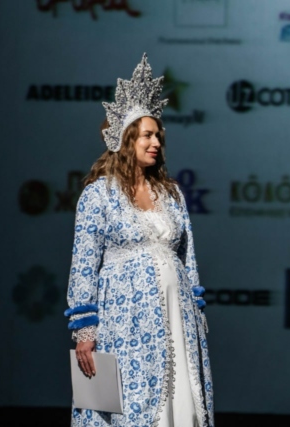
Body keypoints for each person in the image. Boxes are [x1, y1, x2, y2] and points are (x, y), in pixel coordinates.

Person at [64, 53, 214, 427]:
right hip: (126, 321)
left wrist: (196, 312)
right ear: (126, 139)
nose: (155, 142)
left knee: (181, 399)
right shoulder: (99, 195)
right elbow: (84, 264)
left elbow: (188, 259)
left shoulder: (171, 195)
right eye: (147, 135)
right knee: (131, 405)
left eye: (158, 136)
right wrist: (85, 331)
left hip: (176, 314)